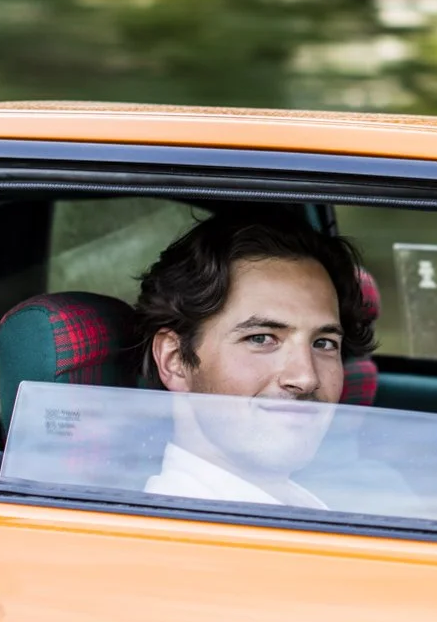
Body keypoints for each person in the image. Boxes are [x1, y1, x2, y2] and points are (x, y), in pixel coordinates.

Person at [131, 210, 376, 507]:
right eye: (260, 338)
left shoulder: (301, 506)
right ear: (174, 360)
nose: (306, 377)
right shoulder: (178, 537)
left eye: (323, 343)